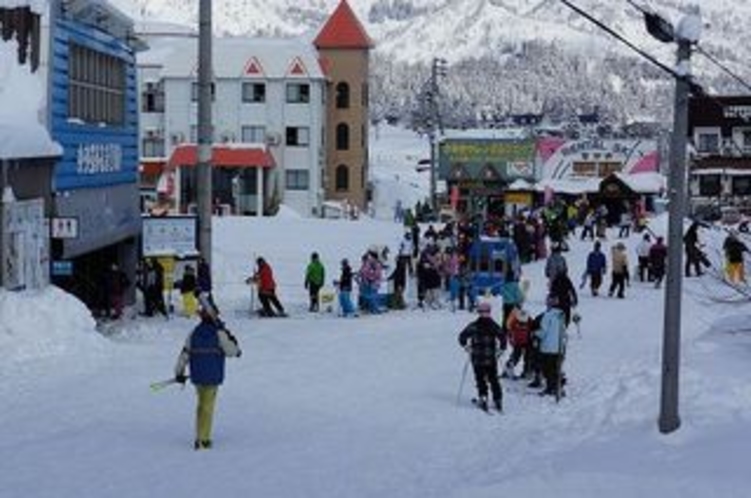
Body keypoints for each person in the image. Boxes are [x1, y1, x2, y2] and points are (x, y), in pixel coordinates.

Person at [174, 295, 241, 450]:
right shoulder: (219, 333)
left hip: (198, 376)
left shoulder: (194, 333)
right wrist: (235, 344)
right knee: (207, 407)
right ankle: (203, 440)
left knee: (201, 405)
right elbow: (231, 351)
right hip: (213, 376)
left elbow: (184, 354)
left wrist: (179, 372)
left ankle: (200, 435)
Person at [457, 301, 507, 412]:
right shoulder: (493, 325)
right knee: (493, 379)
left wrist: (466, 346)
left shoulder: (474, 326)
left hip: (477, 358)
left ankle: (483, 397)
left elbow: (462, 337)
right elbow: (503, 337)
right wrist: (501, 349)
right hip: (490, 358)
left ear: (479, 312)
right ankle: (498, 399)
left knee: (480, 379)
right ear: (489, 312)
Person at [534, 295, 567, 397]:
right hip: (559, 347)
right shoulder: (561, 315)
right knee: (555, 367)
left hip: (548, 347)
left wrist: (535, 333)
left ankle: (550, 388)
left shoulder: (547, 316)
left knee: (547, 369)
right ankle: (557, 385)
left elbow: (543, 332)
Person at [504, 306, 533, 379]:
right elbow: (509, 330)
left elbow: (533, 329)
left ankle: (527, 371)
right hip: (517, 342)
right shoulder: (514, 321)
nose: (522, 323)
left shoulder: (529, 321)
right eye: (521, 321)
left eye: (523, 322)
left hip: (528, 342)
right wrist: (511, 339)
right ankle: (508, 368)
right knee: (516, 356)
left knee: (528, 357)